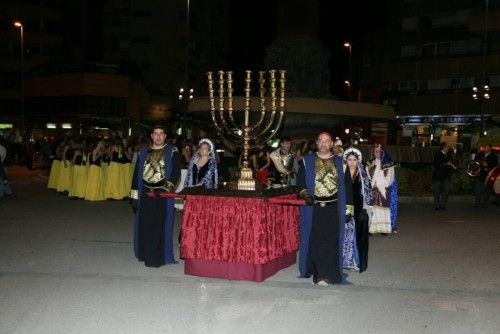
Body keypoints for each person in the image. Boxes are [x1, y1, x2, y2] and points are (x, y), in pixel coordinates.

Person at [297, 132, 353, 286]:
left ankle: (325, 274)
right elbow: (300, 182)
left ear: (332, 144)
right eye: (320, 141)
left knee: (330, 241)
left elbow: (348, 187)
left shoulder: (341, 163)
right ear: (317, 143)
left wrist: (348, 209)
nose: (323, 143)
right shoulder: (307, 161)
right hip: (314, 209)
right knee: (314, 240)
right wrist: (305, 194)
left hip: (333, 209)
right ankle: (317, 271)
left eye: (326, 141)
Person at [130, 125, 181, 267]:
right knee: (146, 225)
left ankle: (156, 258)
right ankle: (145, 254)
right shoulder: (144, 151)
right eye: (155, 134)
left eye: (161, 134)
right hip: (145, 194)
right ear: (151, 136)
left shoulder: (172, 151)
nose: (158, 136)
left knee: (159, 226)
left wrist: (164, 190)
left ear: (165, 136)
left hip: (161, 196)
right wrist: (134, 197)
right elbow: (136, 175)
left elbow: (175, 174)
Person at [343, 147, 372, 272]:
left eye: (354, 160)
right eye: (349, 160)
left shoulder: (362, 173)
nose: (352, 162)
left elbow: (368, 190)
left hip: (360, 208)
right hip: (346, 207)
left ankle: (358, 262)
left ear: (358, 160)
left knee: (360, 236)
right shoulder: (342, 173)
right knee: (346, 235)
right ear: (346, 160)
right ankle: (346, 261)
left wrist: (367, 206)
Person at [365, 144, 398, 234]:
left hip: (384, 189)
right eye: (375, 151)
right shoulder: (369, 164)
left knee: (383, 208)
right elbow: (367, 176)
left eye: (379, 151)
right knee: (372, 208)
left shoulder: (389, 165)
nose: (377, 153)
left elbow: (390, 178)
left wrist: (380, 184)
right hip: (373, 189)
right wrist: (372, 184)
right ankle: (371, 229)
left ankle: (384, 229)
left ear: (382, 152)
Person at [432, 142, 456, 210]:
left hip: (446, 176)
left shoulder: (448, 155)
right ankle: (436, 205)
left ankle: (443, 205)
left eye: (448, 147)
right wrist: (446, 163)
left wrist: (453, 166)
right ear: (443, 147)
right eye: (447, 146)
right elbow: (437, 163)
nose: (448, 148)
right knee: (437, 192)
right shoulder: (438, 154)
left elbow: (451, 164)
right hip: (438, 176)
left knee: (446, 191)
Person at [474, 144, 498, 208]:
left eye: (487, 148)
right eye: (485, 147)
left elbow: (495, 166)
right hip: (479, 174)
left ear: (490, 149)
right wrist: (479, 162)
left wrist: (487, 166)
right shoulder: (481, 154)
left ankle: (485, 204)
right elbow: (475, 160)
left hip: (487, 176)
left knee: (485, 191)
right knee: (478, 190)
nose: (486, 149)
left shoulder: (494, 156)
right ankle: (477, 203)